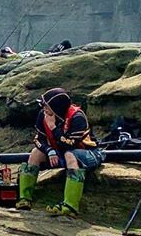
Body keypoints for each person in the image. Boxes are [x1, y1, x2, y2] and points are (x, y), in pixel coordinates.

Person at [18, 88, 105, 216]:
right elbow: (38, 139)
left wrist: (53, 128)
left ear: (56, 107)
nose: (43, 108)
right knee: (35, 153)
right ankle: (24, 198)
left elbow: (71, 144)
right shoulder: (43, 115)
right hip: (59, 152)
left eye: (45, 105)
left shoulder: (77, 116)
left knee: (70, 154)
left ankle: (70, 206)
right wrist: (49, 150)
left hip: (86, 153)